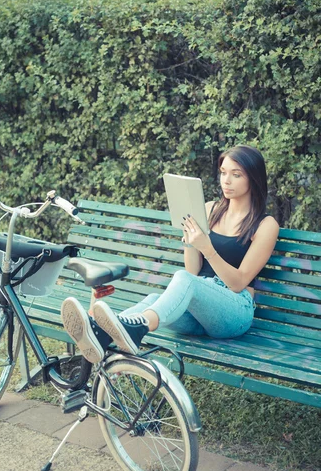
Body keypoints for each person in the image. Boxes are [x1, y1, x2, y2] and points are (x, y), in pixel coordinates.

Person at [61, 145, 280, 363]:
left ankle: (138, 327)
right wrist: (190, 242)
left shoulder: (265, 225)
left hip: (234, 311)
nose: (226, 180)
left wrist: (207, 248)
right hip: (200, 310)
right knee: (154, 299)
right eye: (223, 172)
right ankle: (101, 333)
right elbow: (193, 270)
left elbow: (238, 283)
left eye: (236, 174)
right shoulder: (209, 209)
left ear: (253, 178)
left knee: (184, 280)